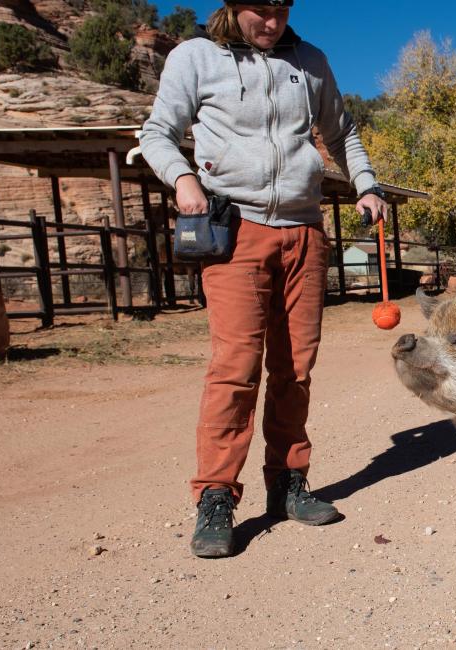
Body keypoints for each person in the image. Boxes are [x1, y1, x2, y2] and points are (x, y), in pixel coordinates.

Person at [139, 0, 389, 557]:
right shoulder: (195, 56)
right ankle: (216, 496)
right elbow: (157, 133)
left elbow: (342, 131)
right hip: (236, 228)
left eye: (282, 10)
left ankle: (288, 483)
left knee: (296, 365)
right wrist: (183, 178)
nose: (272, 24)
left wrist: (366, 184)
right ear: (233, 5)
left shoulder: (311, 61)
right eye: (261, 11)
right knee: (235, 366)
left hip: (303, 230)